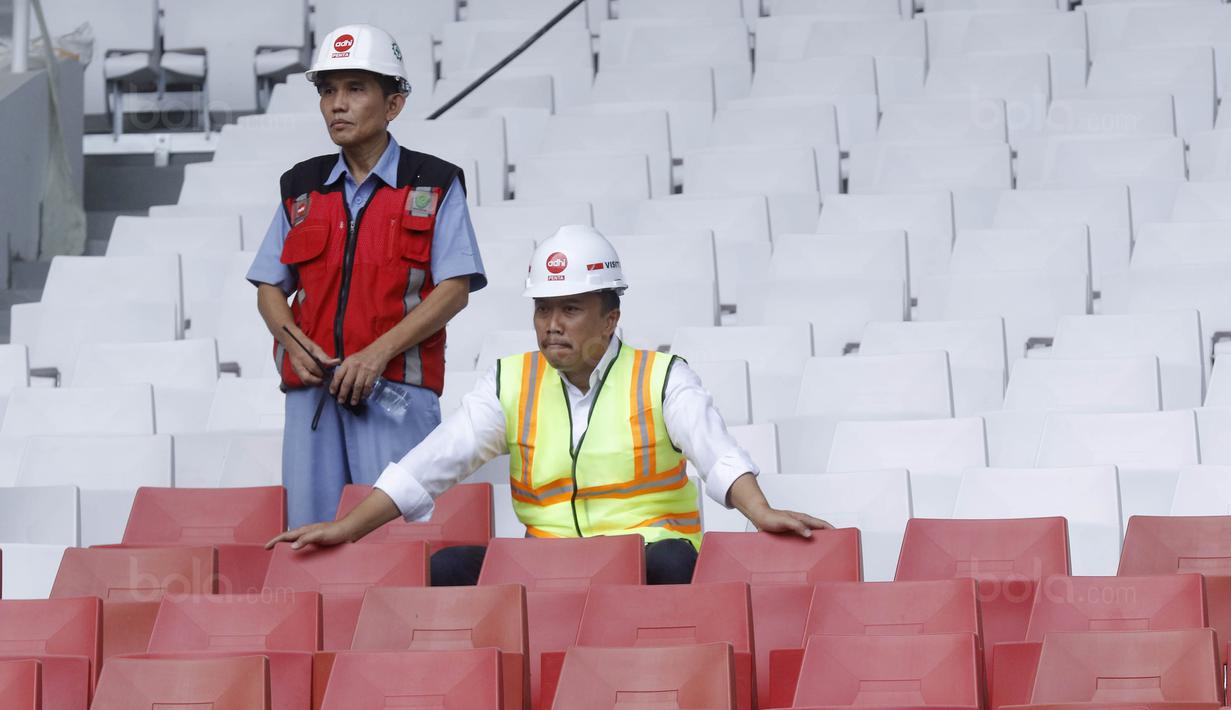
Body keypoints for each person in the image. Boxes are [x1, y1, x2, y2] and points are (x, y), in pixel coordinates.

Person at [268, 225, 830, 584]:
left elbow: (719, 456)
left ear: (611, 319)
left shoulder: (662, 378)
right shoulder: (510, 382)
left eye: (571, 309)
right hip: (551, 563)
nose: (552, 325)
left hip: (649, 559)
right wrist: (348, 528)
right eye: (543, 310)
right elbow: (430, 465)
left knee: (673, 565)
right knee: (446, 571)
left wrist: (759, 512)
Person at [247, 24, 486, 528]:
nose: (337, 104)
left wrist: (377, 354)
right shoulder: (301, 186)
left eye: (355, 89)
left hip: (397, 393)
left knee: (398, 544)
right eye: (328, 90)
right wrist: (292, 344)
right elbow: (270, 286)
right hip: (311, 395)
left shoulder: (435, 183)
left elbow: (455, 289)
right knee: (309, 537)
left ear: (393, 104)